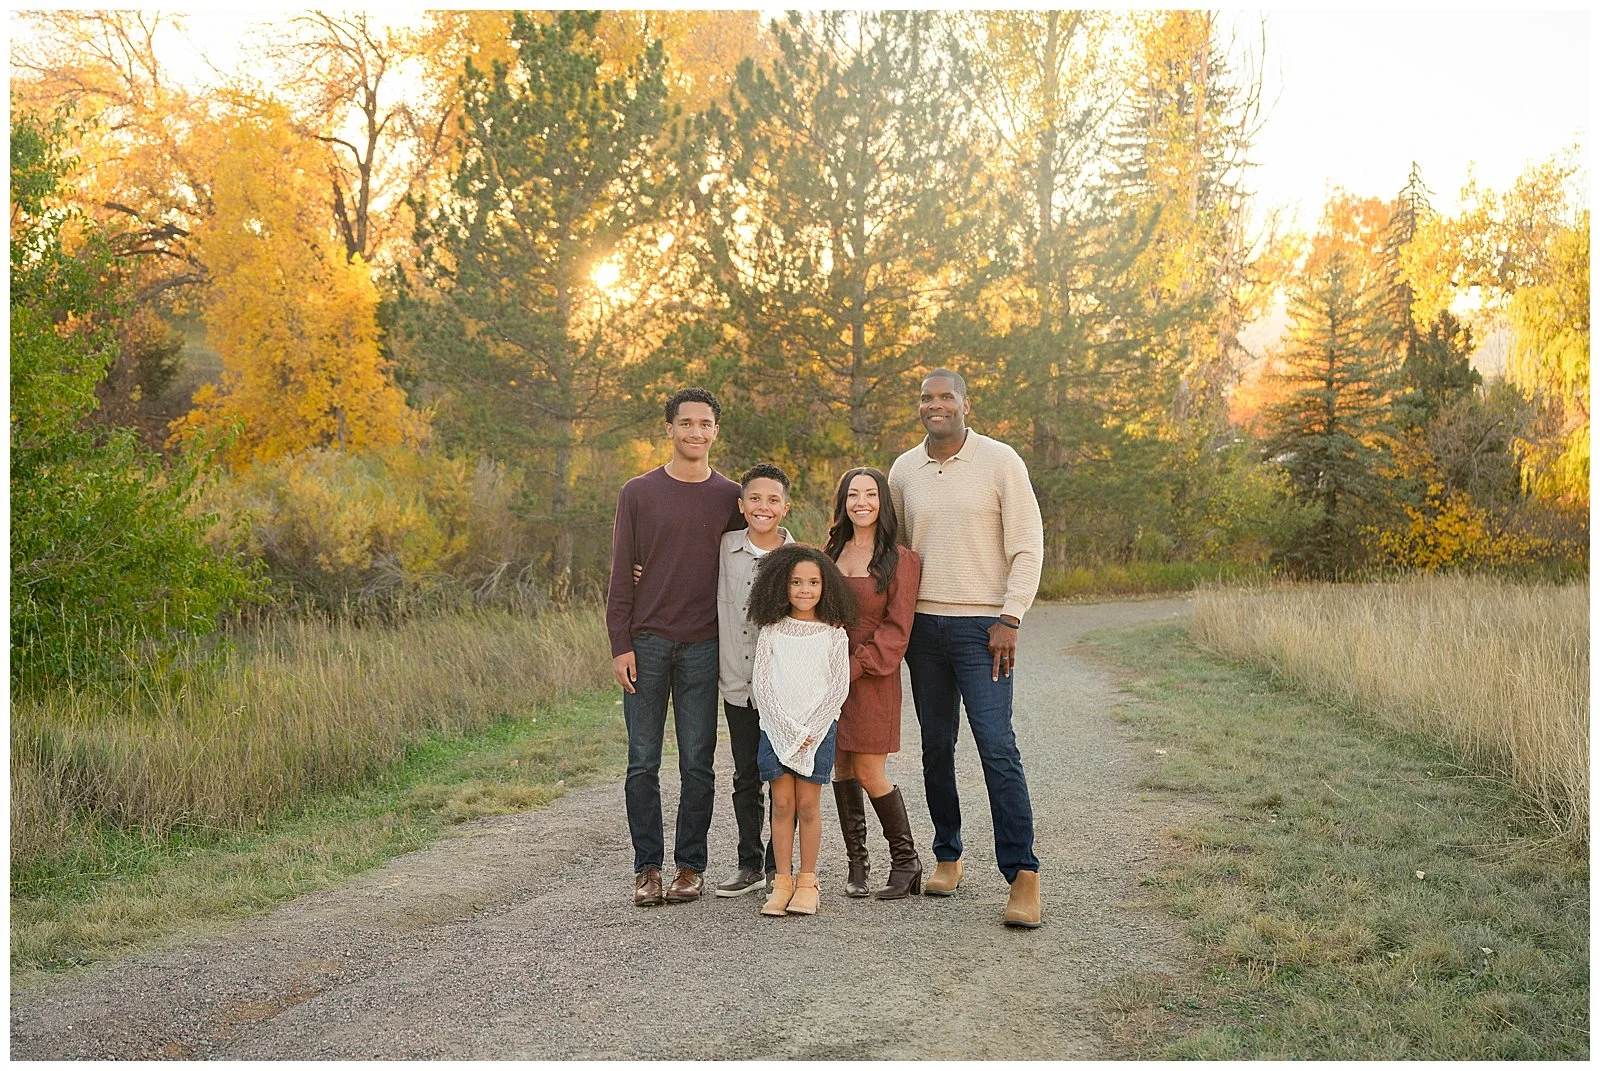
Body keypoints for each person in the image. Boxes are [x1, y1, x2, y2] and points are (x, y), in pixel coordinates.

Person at [888, 369, 1046, 928]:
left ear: (964, 403)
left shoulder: (1001, 461)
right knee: (935, 747)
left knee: (997, 745)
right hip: (923, 631)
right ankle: (947, 855)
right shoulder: (904, 470)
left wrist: (1011, 616)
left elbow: (1028, 545)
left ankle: (1022, 875)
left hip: (986, 629)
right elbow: (897, 549)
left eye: (945, 397)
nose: (936, 406)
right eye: (927, 398)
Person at [607, 387, 743, 908]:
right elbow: (621, 573)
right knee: (642, 761)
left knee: (697, 763)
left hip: (705, 645)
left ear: (715, 431)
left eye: (704, 423)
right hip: (647, 642)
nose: (694, 432)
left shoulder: (729, 497)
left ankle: (690, 866)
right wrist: (621, 643)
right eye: (685, 423)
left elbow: (754, 551)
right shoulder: (638, 492)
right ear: (669, 429)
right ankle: (647, 870)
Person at [822, 467, 924, 900]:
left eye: (869, 494)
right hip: (829, 674)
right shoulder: (831, 551)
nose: (860, 502)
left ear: (882, 501)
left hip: (872, 675)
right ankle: (857, 865)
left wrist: (856, 665)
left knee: (868, 770)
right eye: (852, 495)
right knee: (840, 767)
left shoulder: (900, 558)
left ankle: (906, 861)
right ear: (843, 503)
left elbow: (897, 631)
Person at [746, 544, 857, 916]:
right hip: (775, 730)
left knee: (808, 805)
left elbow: (839, 688)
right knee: (781, 804)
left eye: (813, 582)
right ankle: (782, 882)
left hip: (818, 731)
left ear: (826, 587)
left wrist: (810, 729)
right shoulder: (772, 632)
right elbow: (762, 684)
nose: (805, 590)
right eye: (796, 582)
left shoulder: (833, 634)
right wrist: (787, 727)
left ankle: (808, 882)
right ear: (782, 586)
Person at [712, 463, 795, 897]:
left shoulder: (796, 560)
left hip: (782, 689)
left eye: (773, 500)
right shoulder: (724, 547)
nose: (764, 507)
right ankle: (748, 864)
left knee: (782, 775)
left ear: (785, 507)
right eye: (756, 499)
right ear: (742, 506)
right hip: (737, 684)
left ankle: (778, 865)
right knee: (745, 775)